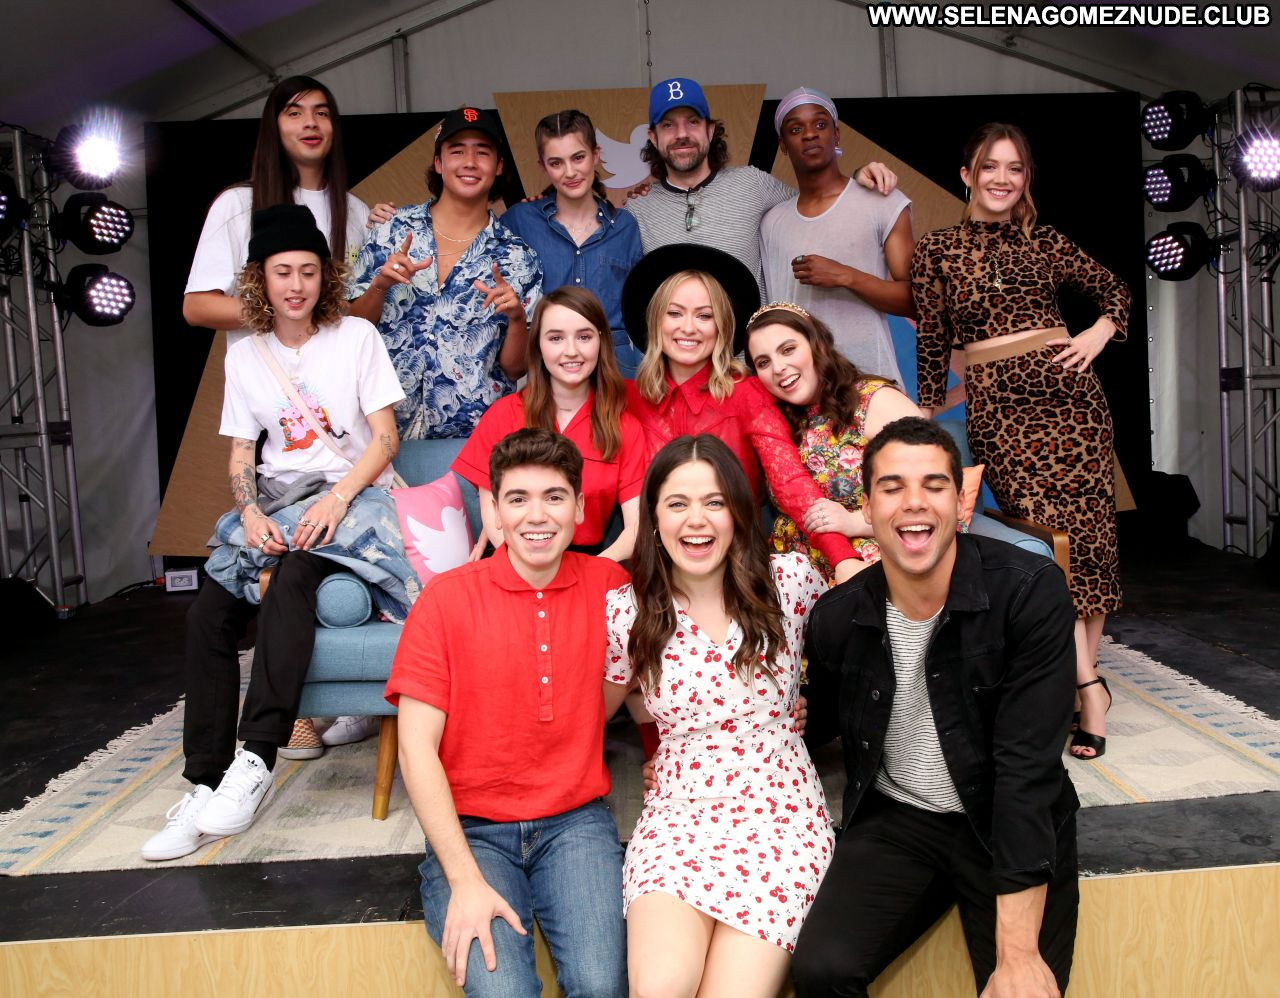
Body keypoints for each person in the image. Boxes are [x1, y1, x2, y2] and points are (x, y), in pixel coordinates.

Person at [142, 205, 413, 862]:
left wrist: (339, 499)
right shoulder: (245, 355)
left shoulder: (355, 337)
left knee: (292, 581)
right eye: (282, 272)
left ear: (327, 277)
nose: (296, 285)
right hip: (277, 503)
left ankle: (256, 760)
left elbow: (385, 438)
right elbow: (243, 450)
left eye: (308, 271)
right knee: (207, 614)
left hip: (350, 500)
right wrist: (250, 512)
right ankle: (204, 781)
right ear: (260, 279)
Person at [792, 416, 1079, 998]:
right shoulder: (838, 616)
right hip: (899, 819)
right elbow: (814, 719)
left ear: (960, 502)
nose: (914, 503)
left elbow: (1027, 770)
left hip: (1002, 815)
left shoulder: (1028, 591)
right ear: (866, 508)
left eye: (933, 485)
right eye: (892, 487)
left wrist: (1017, 954)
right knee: (820, 972)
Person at [911, 122, 1130, 760]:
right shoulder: (938, 249)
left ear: (1026, 178)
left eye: (1015, 168)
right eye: (990, 166)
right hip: (1002, 412)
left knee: (1088, 542)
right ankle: (1085, 684)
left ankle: (1085, 684)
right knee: (1045, 543)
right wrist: (924, 414)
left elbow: (1116, 292)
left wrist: (1097, 334)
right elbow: (932, 340)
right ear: (967, 175)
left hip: (1073, 405)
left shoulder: (1044, 241)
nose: (1002, 179)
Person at [387, 428, 629, 998]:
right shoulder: (445, 599)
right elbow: (415, 748)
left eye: (554, 496)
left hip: (575, 823)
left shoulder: (612, 587)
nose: (536, 515)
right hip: (473, 833)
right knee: (505, 992)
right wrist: (464, 880)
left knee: (601, 985)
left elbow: (643, 681)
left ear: (579, 508)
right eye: (518, 498)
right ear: (493, 511)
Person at [601, 434, 833, 996]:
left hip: (779, 816)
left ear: (738, 512)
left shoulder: (790, 581)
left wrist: (814, 712)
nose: (696, 519)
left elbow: (859, 659)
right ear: (653, 518)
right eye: (677, 503)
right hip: (678, 817)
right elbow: (588, 717)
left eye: (714, 501)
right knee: (659, 989)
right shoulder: (626, 613)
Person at [621, 243, 866, 584]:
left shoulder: (747, 394)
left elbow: (789, 484)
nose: (688, 327)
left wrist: (842, 558)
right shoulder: (628, 398)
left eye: (704, 316)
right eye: (674, 313)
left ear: (722, 326)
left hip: (734, 566)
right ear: (655, 320)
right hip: (652, 566)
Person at [349, 106, 542, 440]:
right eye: (457, 151)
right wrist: (379, 285)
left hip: (473, 438)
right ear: (438, 163)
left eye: (482, 152)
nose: (470, 162)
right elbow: (351, 329)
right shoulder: (392, 230)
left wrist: (515, 319)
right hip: (381, 432)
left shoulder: (517, 257)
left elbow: (515, 369)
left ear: (498, 166)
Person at [624, 77, 898, 295]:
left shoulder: (753, 184)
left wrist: (858, 178)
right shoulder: (637, 210)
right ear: (653, 137)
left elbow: (819, 203)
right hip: (675, 349)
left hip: (749, 350)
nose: (682, 134)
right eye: (668, 125)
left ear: (710, 130)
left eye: (693, 122)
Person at [451, 286, 646, 563]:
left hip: (592, 562)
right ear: (538, 346)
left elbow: (637, 527)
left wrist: (595, 572)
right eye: (556, 338)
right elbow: (494, 521)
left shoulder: (623, 426)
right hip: (515, 559)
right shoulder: (503, 415)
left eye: (584, 337)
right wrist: (530, 573)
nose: (571, 351)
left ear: (601, 342)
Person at [184, 75, 373, 340]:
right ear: (274, 127)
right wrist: (289, 309)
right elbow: (197, 307)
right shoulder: (238, 203)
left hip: (338, 366)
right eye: (295, 113)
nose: (311, 122)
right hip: (265, 366)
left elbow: (361, 312)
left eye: (321, 113)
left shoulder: (356, 211)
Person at [746, 302, 921, 581]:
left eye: (788, 349)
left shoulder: (874, 400)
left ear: (818, 344)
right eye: (763, 362)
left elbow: (935, 496)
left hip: (874, 559)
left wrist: (854, 522)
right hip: (794, 573)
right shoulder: (775, 422)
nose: (778, 368)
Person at [760, 87, 914, 384]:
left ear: (837, 134)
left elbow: (918, 301)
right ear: (783, 145)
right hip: (801, 388)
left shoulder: (883, 201)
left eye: (820, 124)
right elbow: (775, 316)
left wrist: (846, 276)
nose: (809, 134)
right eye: (795, 129)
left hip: (871, 381)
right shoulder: (772, 222)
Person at [500, 110, 646, 377]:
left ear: (595, 155)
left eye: (578, 158)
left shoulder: (625, 226)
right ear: (543, 166)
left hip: (615, 370)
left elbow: (641, 310)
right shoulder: (520, 221)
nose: (570, 172)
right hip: (550, 371)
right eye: (556, 163)